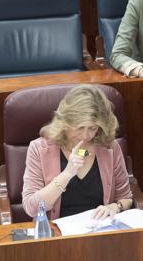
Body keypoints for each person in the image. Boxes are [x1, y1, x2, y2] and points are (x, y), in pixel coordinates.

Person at [22, 85, 133, 220]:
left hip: (100, 230)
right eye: (79, 128)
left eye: (92, 128)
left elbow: (126, 197)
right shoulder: (39, 148)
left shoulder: (109, 147)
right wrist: (67, 174)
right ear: (65, 122)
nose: (85, 135)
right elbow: (32, 208)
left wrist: (114, 207)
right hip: (57, 233)